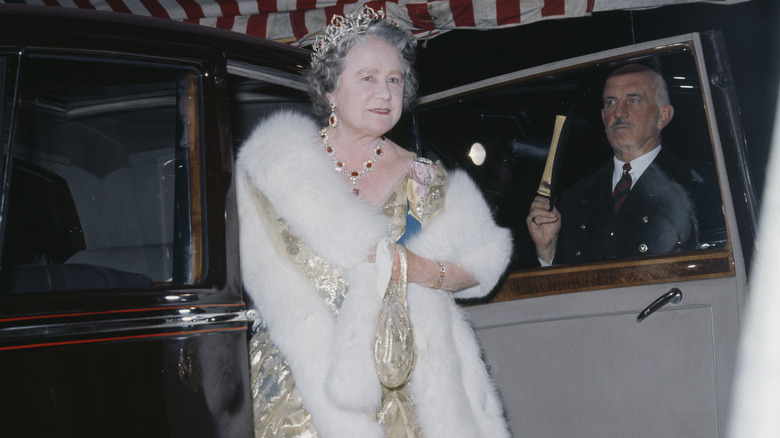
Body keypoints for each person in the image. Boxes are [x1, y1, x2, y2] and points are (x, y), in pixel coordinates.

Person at [235, 6, 512, 438]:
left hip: (402, 383)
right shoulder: (272, 169)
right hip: (299, 379)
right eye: (367, 78)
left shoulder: (424, 177)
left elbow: (484, 263)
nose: (384, 93)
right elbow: (252, 271)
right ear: (330, 88)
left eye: (394, 80)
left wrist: (424, 271)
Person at [527, 64, 698, 265]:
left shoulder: (696, 186)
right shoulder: (575, 197)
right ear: (603, 117)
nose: (618, 113)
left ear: (663, 116)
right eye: (611, 102)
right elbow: (569, 288)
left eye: (633, 100)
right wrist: (548, 250)